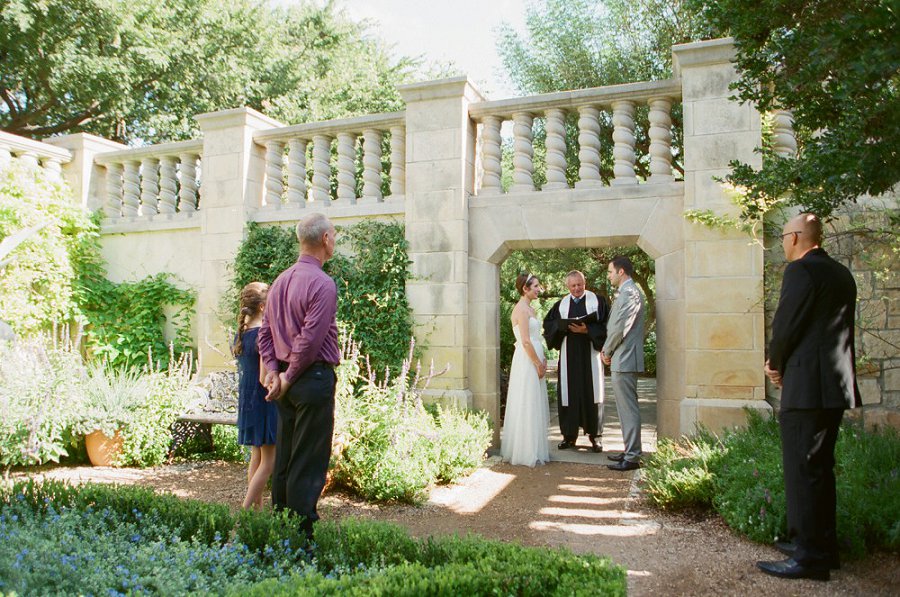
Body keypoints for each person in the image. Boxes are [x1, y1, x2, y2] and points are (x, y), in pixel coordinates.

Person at [756, 213, 861, 582]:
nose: (782, 243)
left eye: (785, 236)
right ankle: (823, 546)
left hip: (806, 385)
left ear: (798, 237)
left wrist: (774, 363)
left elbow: (787, 323)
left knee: (803, 471)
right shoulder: (841, 274)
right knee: (819, 470)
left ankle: (809, 557)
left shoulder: (801, 271)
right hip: (834, 386)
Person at [257, 213, 340, 542]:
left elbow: (265, 336)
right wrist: (287, 376)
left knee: (286, 460)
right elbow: (309, 340)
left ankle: (281, 533)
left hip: (287, 385)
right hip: (310, 379)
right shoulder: (323, 283)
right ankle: (300, 545)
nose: (335, 240)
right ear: (325, 240)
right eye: (334, 235)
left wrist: (275, 373)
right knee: (307, 463)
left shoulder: (278, 281)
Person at [543, 270, 609, 452]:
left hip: (590, 355)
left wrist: (587, 330)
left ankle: (596, 437)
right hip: (569, 356)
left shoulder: (598, 302)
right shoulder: (561, 305)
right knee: (568, 393)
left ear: (584, 283)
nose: (577, 288)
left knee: (593, 393)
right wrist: (562, 327)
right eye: (573, 285)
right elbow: (549, 325)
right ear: (568, 286)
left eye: (579, 284)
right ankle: (569, 436)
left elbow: (606, 326)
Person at [232, 281, 277, 509]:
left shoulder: (242, 333)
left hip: (248, 399)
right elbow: (263, 376)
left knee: (256, 457)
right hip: (263, 400)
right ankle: (245, 511)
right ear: (262, 307)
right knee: (269, 461)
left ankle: (256, 514)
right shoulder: (263, 334)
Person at [601, 256, 645, 471]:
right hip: (622, 358)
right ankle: (629, 450)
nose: (608, 276)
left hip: (625, 357)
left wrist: (606, 350)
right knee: (624, 409)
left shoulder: (630, 293)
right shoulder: (628, 292)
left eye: (610, 272)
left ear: (621, 272)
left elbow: (620, 327)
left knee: (628, 409)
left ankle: (633, 456)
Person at [501, 273, 550, 467]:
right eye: (536, 286)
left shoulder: (531, 309)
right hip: (526, 359)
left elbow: (536, 338)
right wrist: (537, 363)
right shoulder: (521, 309)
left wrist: (543, 358)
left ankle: (535, 447)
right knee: (526, 400)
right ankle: (524, 450)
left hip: (536, 355)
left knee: (534, 401)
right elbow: (525, 341)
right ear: (525, 288)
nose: (539, 289)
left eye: (539, 286)